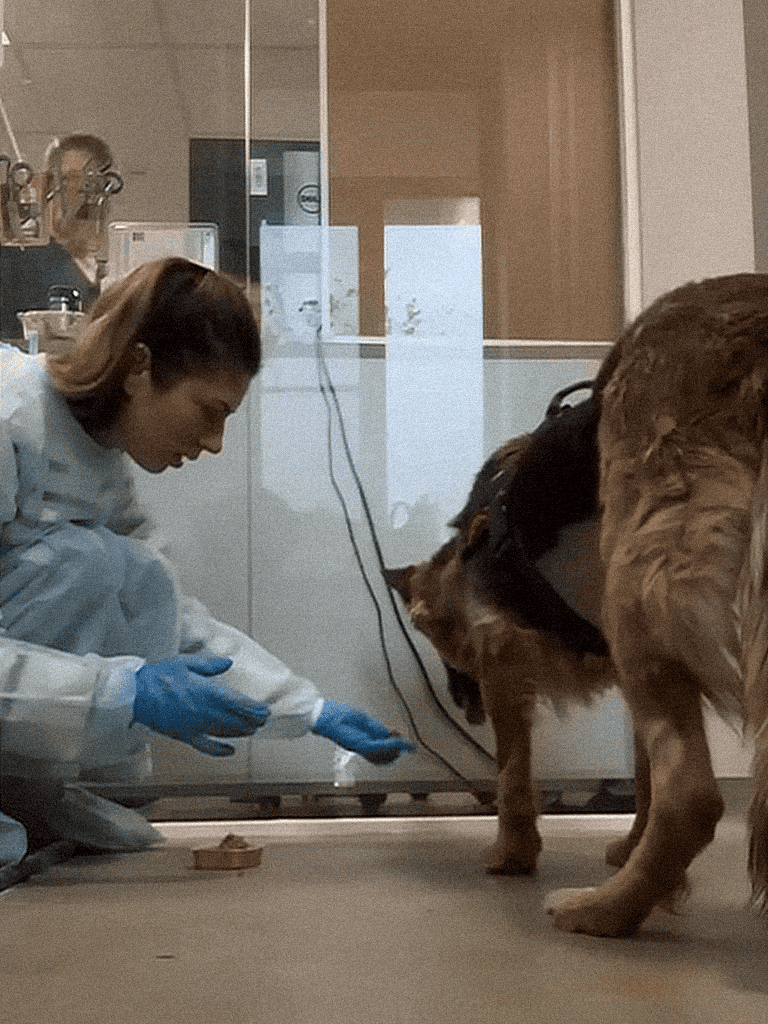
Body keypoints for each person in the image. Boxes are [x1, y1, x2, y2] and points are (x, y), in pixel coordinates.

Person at [0, 257, 415, 865]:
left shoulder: (101, 467)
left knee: (127, 569)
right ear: (140, 367)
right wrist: (119, 692)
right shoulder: (10, 420)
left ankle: (25, 798)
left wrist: (307, 708)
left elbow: (172, 618)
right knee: (84, 561)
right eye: (210, 410)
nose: (215, 442)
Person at [0, 134, 115, 341]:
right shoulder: (16, 261)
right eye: (67, 179)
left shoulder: (112, 266)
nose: (78, 191)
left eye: (90, 181)